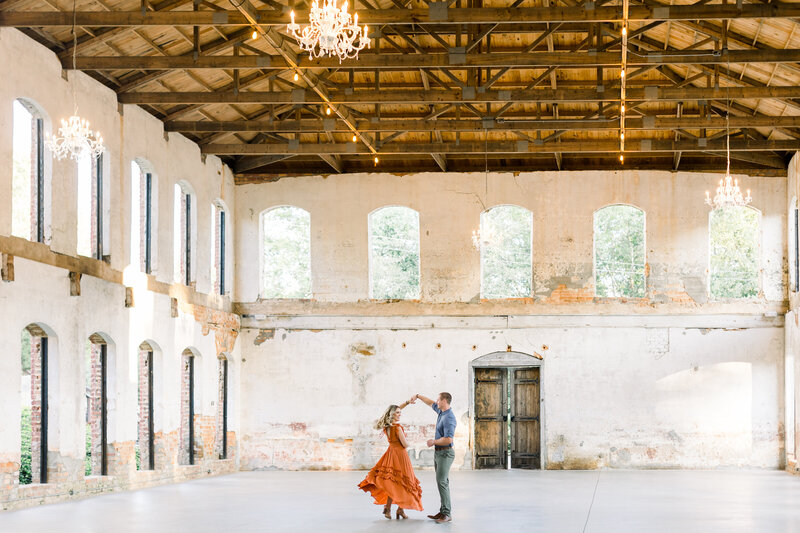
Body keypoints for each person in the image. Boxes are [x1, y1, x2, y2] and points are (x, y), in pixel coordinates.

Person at [358, 399, 423, 519]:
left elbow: (394, 410)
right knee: (403, 482)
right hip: (400, 455)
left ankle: (391, 509)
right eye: (397, 413)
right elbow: (405, 444)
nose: (400, 414)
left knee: (395, 482)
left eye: (400, 412)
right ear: (392, 414)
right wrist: (411, 442)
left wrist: (407, 402)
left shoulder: (386, 426)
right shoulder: (397, 428)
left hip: (391, 454)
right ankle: (398, 509)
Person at [413, 392, 456, 524]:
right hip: (439, 453)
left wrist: (434, 442)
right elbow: (429, 402)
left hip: (445, 453)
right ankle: (443, 511)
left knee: (442, 483)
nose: (436, 401)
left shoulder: (449, 417)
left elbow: (448, 439)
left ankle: (447, 514)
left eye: (438, 399)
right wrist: (418, 396)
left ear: (444, 401)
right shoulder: (441, 412)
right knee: (441, 482)